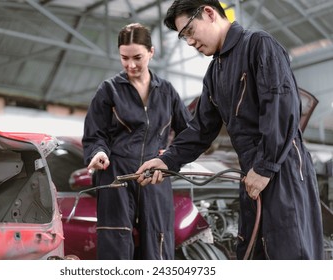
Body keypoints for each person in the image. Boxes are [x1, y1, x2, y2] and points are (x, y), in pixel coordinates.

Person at [136, 0, 324, 260]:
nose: (189, 42)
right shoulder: (215, 71)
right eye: (183, 38)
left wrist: (266, 167)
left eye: (189, 32)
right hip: (251, 171)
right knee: (252, 254)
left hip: (283, 169)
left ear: (210, 13)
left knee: (290, 254)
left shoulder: (259, 45)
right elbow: (201, 129)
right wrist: (166, 160)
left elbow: (281, 110)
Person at [82, 23, 192, 260]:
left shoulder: (167, 92)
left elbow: (189, 133)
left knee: (158, 241)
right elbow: (94, 134)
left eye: (137, 57)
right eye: (124, 58)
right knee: (115, 242)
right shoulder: (109, 90)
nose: (130, 65)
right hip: (116, 175)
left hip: (155, 175)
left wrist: (169, 157)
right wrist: (98, 152)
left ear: (151, 52)